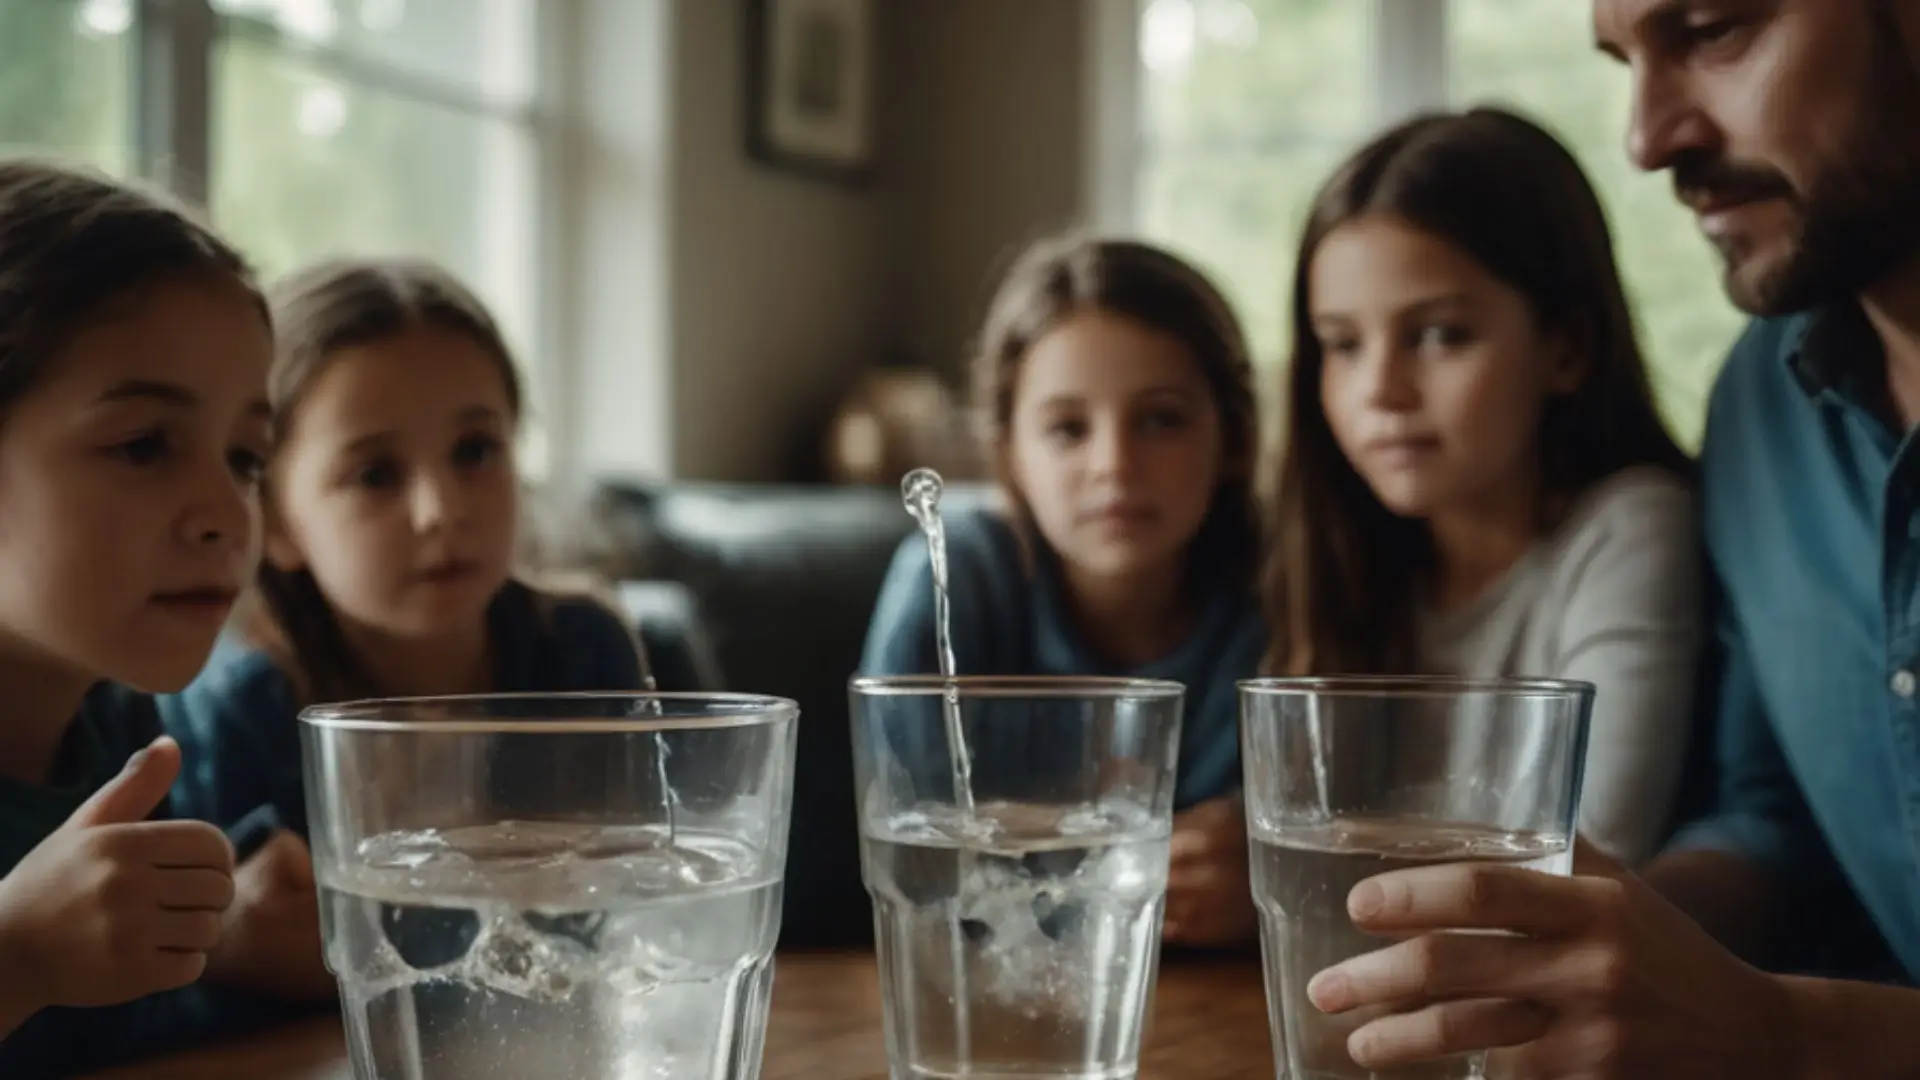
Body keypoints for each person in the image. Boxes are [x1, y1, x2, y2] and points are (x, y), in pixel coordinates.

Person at [1303, 2, 1920, 1076]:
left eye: (1716, 28)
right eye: (1626, 61)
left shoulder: (1634, 521)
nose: (1646, 140)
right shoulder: (1763, 411)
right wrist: (1592, 940)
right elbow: (1774, 827)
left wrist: (1785, 1034)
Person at [1264, 105, 1699, 867]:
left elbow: (1591, 848)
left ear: (1564, 348)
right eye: (1341, 344)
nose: (1381, 390)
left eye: (1439, 335)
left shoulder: (1629, 528)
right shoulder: (1337, 557)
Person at [0, 159, 327, 1077]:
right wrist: (16, 957)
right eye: (145, 445)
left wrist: (221, 943)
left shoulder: (123, 729)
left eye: (247, 458)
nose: (225, 508)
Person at [859, 235, 1268, 946]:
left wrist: (1263, 885)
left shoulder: (1279, 608)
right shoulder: (951, 581)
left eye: (1161, 419)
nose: (1114, 464)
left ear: (1231, 437)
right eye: (1068, 428)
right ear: (1009, 449)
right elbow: (914, 871)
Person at [162, 258, 649, 836]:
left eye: (475, 451)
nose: (440, 511)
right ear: (277, 523)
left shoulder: (583, 652)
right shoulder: (242, 711)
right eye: (374, 475)